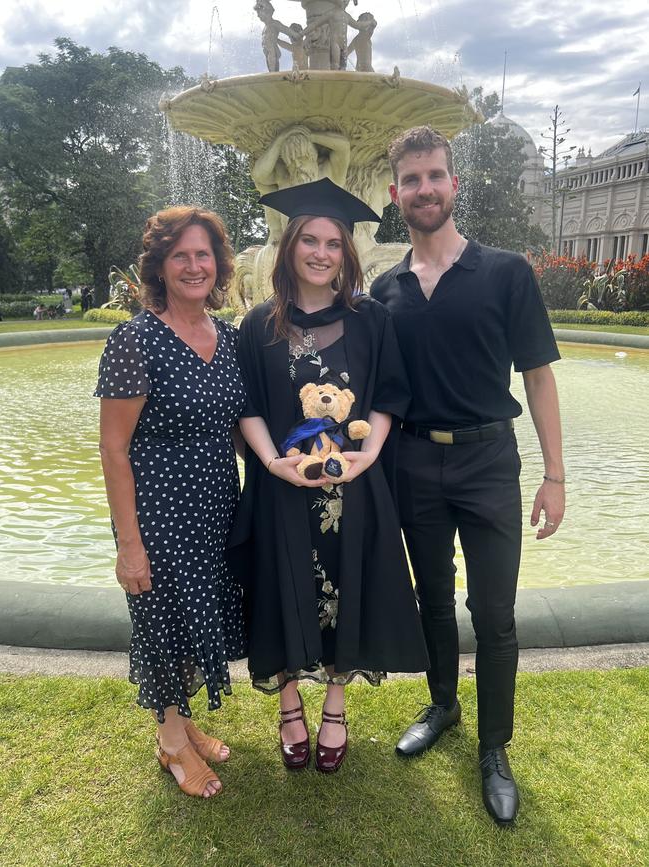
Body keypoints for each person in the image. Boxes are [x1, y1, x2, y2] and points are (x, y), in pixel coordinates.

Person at [371, 126, 565, 826]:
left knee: (495, 614)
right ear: (395, 196)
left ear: (454, 184)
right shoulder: (383, 288)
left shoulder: (506, 271)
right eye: (412, 180)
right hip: (413, 461)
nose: (424, 188)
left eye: (435, 176)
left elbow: (538, 377)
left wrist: (556, 475)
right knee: (431, 599)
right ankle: (444, 704)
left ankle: (494, 749)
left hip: (489, 460)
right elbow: (372, 391)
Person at [229, 177, 429, 774]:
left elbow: (388, 397)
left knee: (349, 586)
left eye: (333, 243)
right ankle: (290, 704)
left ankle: (335, 705)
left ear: (347, 253)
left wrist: (367, 458)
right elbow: (249, 407)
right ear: (289, 247)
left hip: (355, 485)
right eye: (309, 240)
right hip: (280, 486)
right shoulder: (259, 323)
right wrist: (271, 464)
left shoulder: (371, 321)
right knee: (278, 584)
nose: (320, 253)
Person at [95, 206, 247, 798]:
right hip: (156, 511)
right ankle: (171, 742)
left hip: (215, 506)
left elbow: (236, 426)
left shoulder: (227, 338)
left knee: (195, 616)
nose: (193, 266)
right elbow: (113, 450)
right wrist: (129, 545)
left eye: (203, 254)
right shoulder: (135, 340)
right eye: (180, 255)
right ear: (159, 265)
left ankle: (181, 723)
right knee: (161, 620)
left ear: (218, 264)